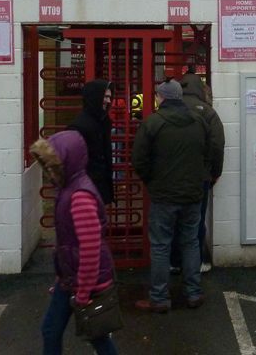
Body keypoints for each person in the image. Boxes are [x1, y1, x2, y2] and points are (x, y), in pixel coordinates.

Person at [30, 130, 119, 355]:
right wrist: (62, 278)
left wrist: (83, 293)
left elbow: (90, 251)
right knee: (51, 330)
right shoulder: (68, 188)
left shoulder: (79, 196)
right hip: (71, 280)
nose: (48, 171)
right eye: (47, 165)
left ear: (67, 161)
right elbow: (69, 246)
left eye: (53, 165)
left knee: (96, 335)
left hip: (88, 283)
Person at [132, 79, 211, 312]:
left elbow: (139, 160)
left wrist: (151, 182)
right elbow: (208, 155)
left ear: (161, 98)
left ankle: (159, 298)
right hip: (192, 195)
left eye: (156, 95)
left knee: (160, 246)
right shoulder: (199, 121)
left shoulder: (153, 123)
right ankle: (194, 293)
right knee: (190, 243)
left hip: (164, 197)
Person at [176, 68, 225, 273]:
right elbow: (217, 145)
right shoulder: (208, 112)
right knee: (196, 219)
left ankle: (175, 261)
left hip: (172, 176)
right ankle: (199, 262)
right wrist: (215, 172)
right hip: (200, 176)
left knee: (173, 219)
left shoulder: (170, 109)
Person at [68, 79, 114, 205]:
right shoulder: (79, 126)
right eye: (105, 97)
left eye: (110, 97)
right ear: (95, 97)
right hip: (86, 191)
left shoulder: (103, 121)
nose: (109, 101)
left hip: (99, 187)